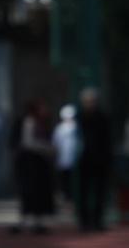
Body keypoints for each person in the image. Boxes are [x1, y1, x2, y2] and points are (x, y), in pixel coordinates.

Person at [10, 98, 56, 234]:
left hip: (35, 164)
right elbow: (28, 143)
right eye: (42, 108)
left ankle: (34, 221)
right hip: (30, 164)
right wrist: (47, 148)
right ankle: (28, 221)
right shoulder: (29, 122)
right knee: (30, 192)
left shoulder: (39, 123)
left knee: (36, 193)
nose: (45, 111)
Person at [75, 87, 113, 232]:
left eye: (92, 101)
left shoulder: (102, 118)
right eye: (87, 101)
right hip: (83, 160)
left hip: (100, 161)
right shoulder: (79, 118)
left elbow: (107, 140)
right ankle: (84, 222)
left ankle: (97, 221)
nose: (90, 104)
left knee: (99, 192)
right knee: (83, 192)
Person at [53, 103, 81, 226]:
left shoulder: (77, 127)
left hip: (74, 161)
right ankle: (67, 205)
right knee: (65, 185)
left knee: (72, 184)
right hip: (63, 161)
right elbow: (55, 144)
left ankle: (73, 205)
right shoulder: (60, 129)